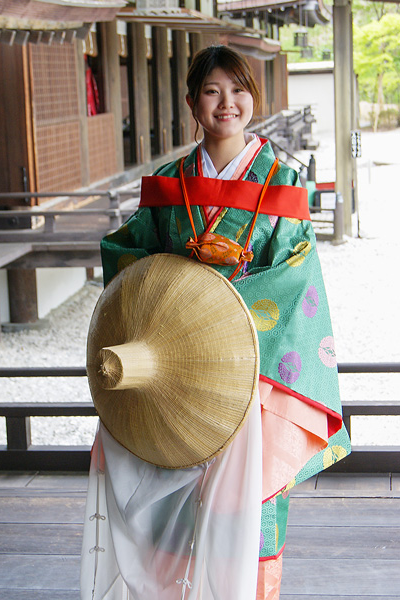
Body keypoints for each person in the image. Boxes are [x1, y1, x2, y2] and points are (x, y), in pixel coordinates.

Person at [81, 45, 350, 600]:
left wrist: (218, 310)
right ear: (191, 103)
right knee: (173, 512)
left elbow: (296, 280)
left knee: (246, 512)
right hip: (173, 382)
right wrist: (176, 305)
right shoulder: (167, 185)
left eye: (238, 90)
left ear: (253, 98)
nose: (226, 103)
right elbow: (131, 267)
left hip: (250, 377)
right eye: (211, 91)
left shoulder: (283, 181)